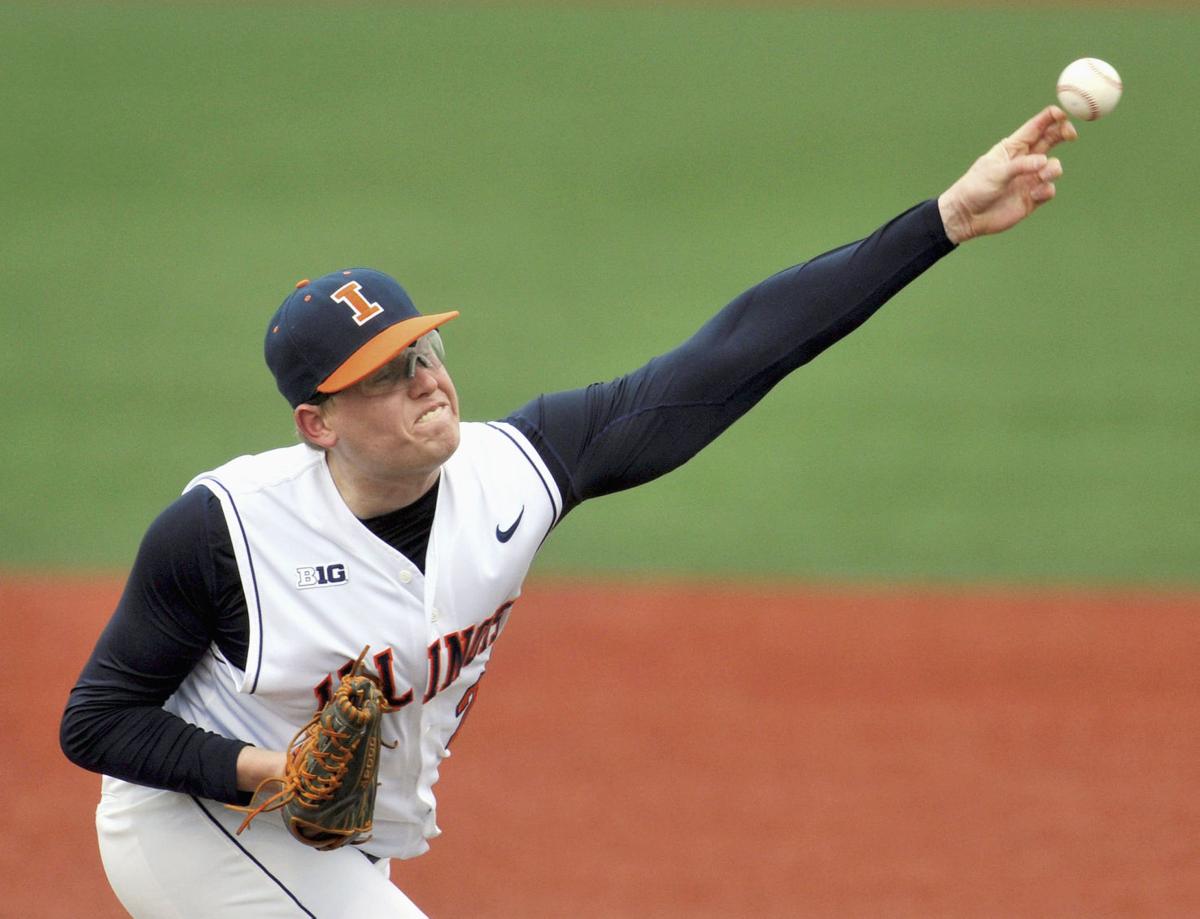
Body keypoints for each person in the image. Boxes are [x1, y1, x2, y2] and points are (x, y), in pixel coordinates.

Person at [61, 106, 1078, 917]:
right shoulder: (222, 531)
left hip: (329, 844)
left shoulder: (521, 469)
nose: (425, 380)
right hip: (197, 830)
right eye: (383, 376)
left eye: (424, 351)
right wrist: (270, 770)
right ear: (317, 421)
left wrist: (942, 220)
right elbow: (96, 720)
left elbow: (732, 352)